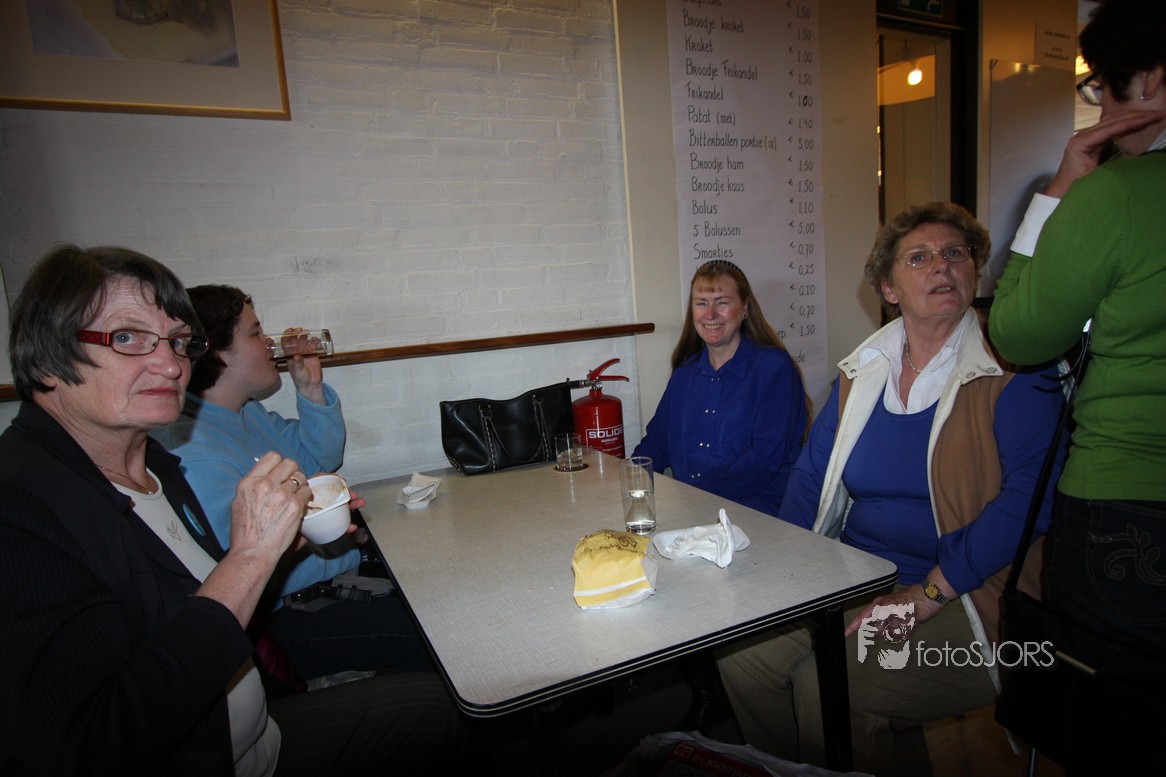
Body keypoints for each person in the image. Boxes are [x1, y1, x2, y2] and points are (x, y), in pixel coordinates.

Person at [0, 245, 465, 775]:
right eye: (126, 337)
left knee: (440, 705)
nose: (170, 364)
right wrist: (253, 558)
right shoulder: (21, 512)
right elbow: (90, 748)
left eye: (179, 341)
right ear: (47, 358)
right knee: (443, 677)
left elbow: (206, 598)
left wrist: (282, 549)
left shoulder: (155, 468)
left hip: (258, 733)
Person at [716, 203, 1066, 774]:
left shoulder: (1016, 369)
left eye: (955, 253)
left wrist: (926, 594)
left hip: (968, 591)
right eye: (919, 258)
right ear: (888, 288)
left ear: (975, 270)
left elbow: (1033, 499)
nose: (942, 266)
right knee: (744, 654)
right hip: (857, 574)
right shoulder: (862, 371)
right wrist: (779, 568)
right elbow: (811, 477)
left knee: (830, 688)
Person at [988, 0, 1166, 655]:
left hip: (1130, 495)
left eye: (1101, 87)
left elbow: (1018, 333)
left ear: (1148, 79)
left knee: (1107, 697)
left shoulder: (1119, 193)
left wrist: (1063, 185)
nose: (1100, 106)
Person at [154, 284, 430, 682]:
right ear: (216, 352)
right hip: (277, 621)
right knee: (428, 631)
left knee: (431, 586)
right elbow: (234, 571)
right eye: (255, 333)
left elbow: (322, 459)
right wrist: (345, 547)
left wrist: (310, 388)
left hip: (323, 584)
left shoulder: (245, 413)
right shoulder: (195, 452)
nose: (270, 343)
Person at [632, 260, 808, 517]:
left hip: (756, 512)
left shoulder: (774, 370)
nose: (710, 314)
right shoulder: (685, 374)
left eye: (722, 302)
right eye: (701, 303)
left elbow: (761, 463)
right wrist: (634, 478)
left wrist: (693, 495)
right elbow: (657, 442)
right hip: (695, 507)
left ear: (744, 308)